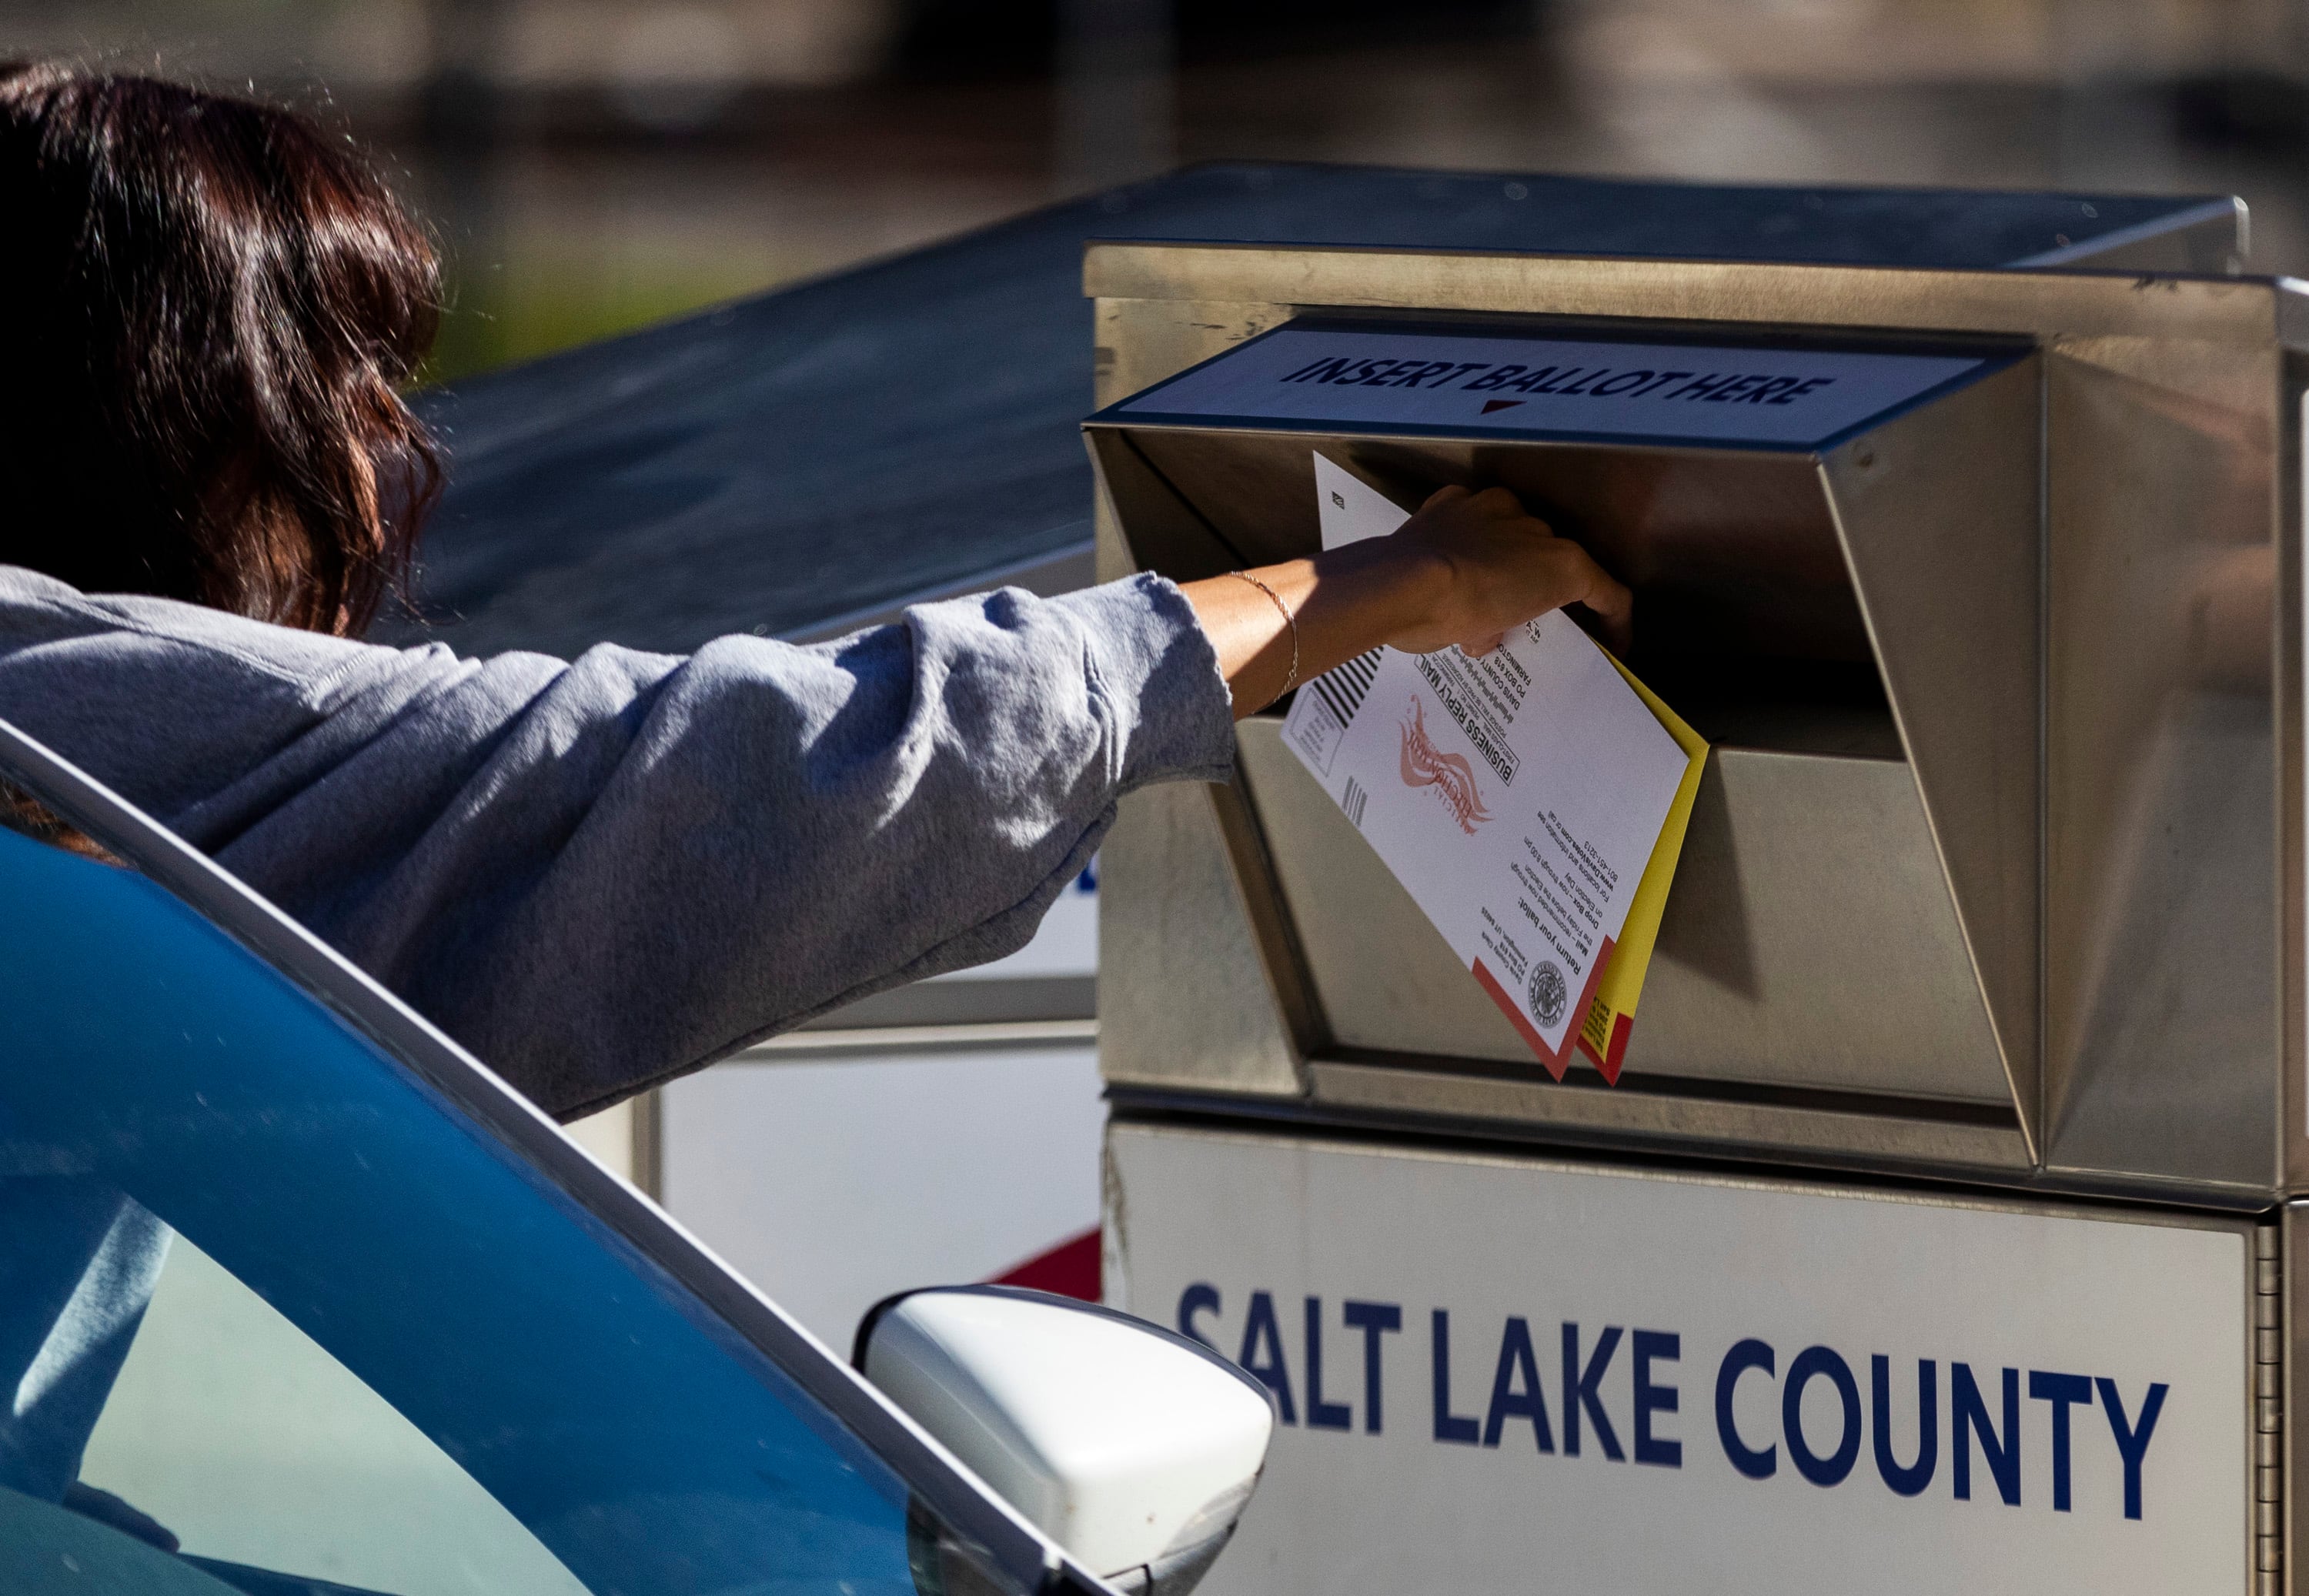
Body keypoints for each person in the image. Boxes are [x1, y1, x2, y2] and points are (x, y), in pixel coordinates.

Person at [0, 61, 1626, 1536]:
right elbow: (709, 777)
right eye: (333, 402)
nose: (378, 476)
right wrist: (1381, 590)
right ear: (160, 421)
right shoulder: (79, 723)